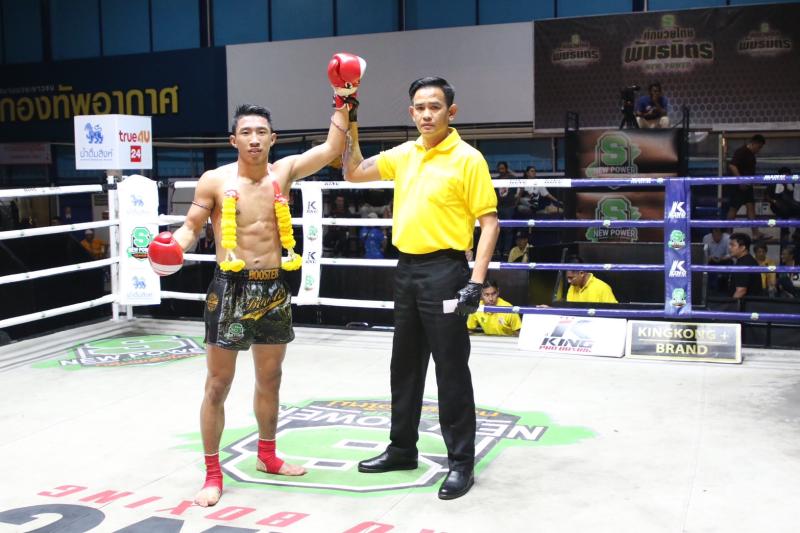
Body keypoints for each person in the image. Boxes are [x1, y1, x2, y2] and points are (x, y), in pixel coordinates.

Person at [147, 53, 361, 508]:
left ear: (272, 138)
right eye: (246, 132)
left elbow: (330, 149)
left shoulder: (284, 172)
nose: (254, 138)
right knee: (217, 384)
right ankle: (212, 473)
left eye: (262, 131)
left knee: (271, 377)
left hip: (273, 287)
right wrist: (173, 248)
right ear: (234, 139)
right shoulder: (214, 180)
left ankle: (268, 456)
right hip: (231, 289)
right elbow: (191, 226)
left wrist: (343, 98)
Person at [343, 76, 499, 500]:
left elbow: (489, 224)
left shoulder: (469, 159)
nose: (427, 114)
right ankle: (401, 448)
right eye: (420, 107)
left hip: (446, 271)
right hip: (406, 270)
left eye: (435, 106)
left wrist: (476, 282)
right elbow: (353, 172)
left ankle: (461, 462)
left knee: (451, 368)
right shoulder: (404, 154)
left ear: (451, 111)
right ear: (411, 113)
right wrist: (351, 118)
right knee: (405, 365)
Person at [725, 134, 767, 240]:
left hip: (747, 185)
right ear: (754, 143)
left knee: (751, 207)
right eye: (759, 147)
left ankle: (755, 233)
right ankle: (728, 234)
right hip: (737, 186)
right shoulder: (742, 151)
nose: (759, 150)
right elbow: (732, 165)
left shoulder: (751, 154)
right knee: (733, 208)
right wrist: (740, 180)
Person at [727, 232, 763, 299]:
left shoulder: (744, 264)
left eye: (732, 245)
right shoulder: (747, 260)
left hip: (747, 304)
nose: (729, 248)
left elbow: (741, 291)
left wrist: (730, 304)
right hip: (751, 303)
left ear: (742, 247)